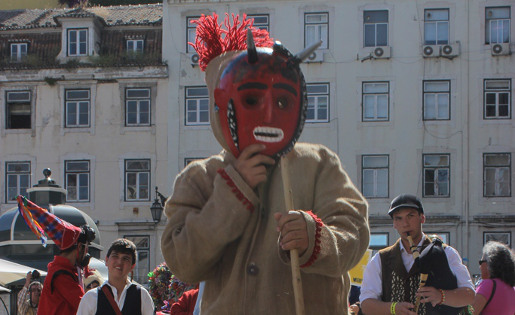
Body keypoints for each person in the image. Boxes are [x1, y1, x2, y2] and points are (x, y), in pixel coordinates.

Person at [161, 13, 370, 314]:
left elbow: (354, 235)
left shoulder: (319, 164)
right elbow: (182, 263)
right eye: (250, 100)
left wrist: (316, 238)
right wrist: (231, 193)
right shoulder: (200, 178)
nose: (269, 113)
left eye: (282, 102)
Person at [360, 194, 475, 315]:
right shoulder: (380, 259)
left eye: (410, 216)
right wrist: (393, 308)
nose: (405, 224)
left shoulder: (446, 253)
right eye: (398, 218)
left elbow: (469, 295)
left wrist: (441, 296)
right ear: (394, 224)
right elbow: (366, 304)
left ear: (422, 218)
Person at [16, 195, 95, 315]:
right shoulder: (62, 274)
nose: (87, 252)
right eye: (86, 247)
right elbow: (85, 306)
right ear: (79, 247)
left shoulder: (63, 270)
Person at [76, 238, 155, 315]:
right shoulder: (91, 297)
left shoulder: (142, 295)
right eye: (115, 256)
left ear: (132, 266)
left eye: (125, 258)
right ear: (106, 260)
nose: (119, 262)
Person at [472, 241, 515, 314]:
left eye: (481, 262)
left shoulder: (488, 285)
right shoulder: (512, 289)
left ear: (489, 263)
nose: (480, 266)